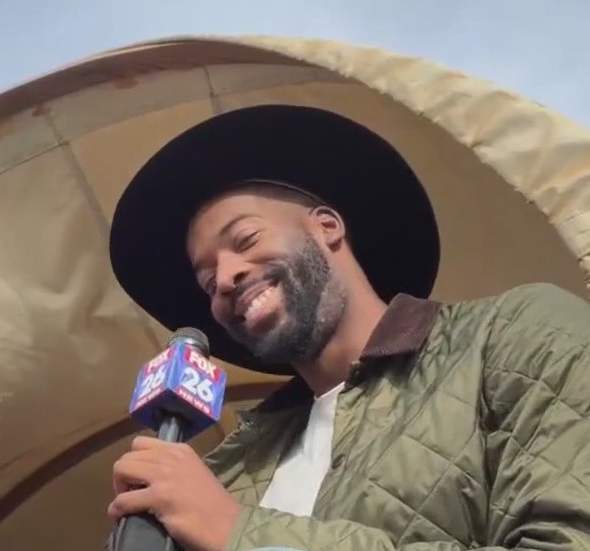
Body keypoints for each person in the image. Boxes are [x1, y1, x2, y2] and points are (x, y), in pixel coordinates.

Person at [105, 104, 590, 551]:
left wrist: (239, 531)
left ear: (327, 227)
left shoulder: (516, 333)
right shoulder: (230, 468)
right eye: (208, 280)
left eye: (246, 238)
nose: (226, 278)